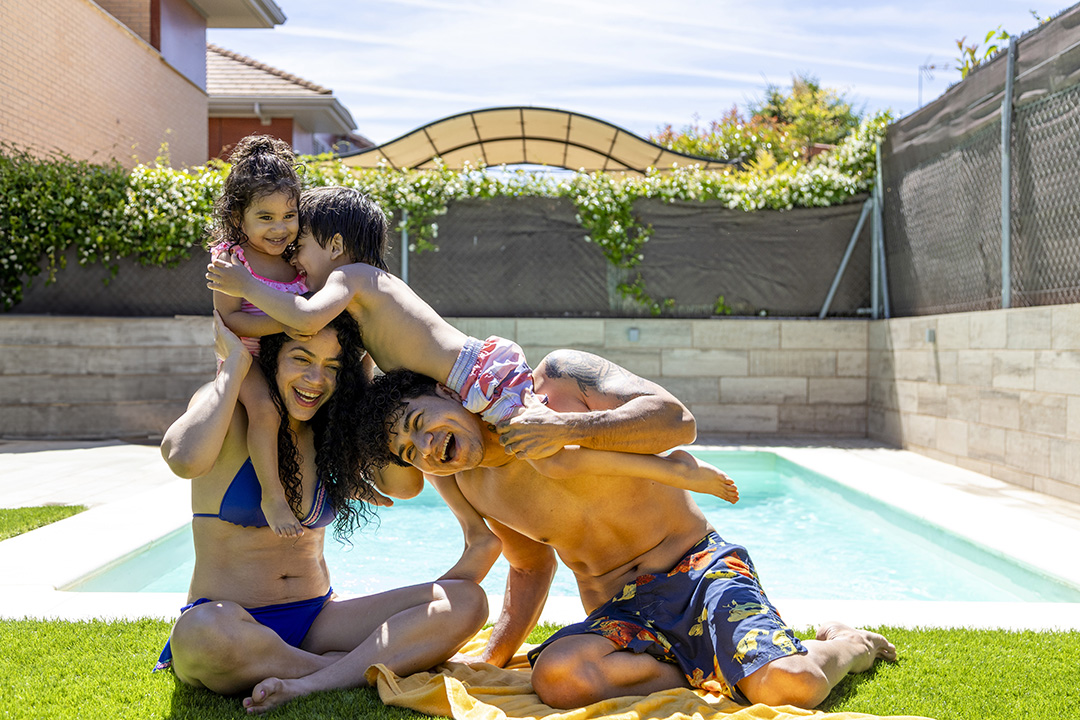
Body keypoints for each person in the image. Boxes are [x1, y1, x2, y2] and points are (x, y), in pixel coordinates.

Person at [205, 186, 738, 580]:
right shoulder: (356, 313)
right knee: (436, 453)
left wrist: (246, 284)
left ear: (337, 244)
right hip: (464, 389)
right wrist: (231, 320)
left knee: (551, 456)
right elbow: (348, 381)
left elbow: (299, 315)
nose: (294, 262)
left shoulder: (353, 279)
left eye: (301, 250)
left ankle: (675, 471)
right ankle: (472, 528)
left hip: (479, 377)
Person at [350, 349, 897, 710]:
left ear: (449, 394)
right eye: (409, 451)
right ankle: (707, 666)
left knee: (791, 687)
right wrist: (491, 659)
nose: (425, 448)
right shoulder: (471, 483)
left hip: (700, 569)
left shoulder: (560, 382)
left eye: (421, 423)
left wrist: (564, 427)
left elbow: (677, 420)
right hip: (623, 613)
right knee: (559, 679)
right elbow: (528, 564)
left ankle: (849, 644)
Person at [156, 310, 488, 713]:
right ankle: (341, 672)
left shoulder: (329, 431)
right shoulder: (232, 410)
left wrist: (361, 385)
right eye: (301, 359)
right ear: (272, 357)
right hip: (234, 623)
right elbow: (182, 457)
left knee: (467, 601)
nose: (317, 380)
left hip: (318, 619)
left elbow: (404, 486)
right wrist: (232, 372)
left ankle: (318, 678)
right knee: (201, 633)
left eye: (332, 367)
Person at [206, 134, 310, 539]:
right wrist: (289, 322)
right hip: (245, 355)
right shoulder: (233, 260)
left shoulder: (298, 256)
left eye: (289, 215)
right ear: (238, 218)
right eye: (265, 218)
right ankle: (273, 495)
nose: (280, 228)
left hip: (291, 356)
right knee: (266, 411)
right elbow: (230, 322)